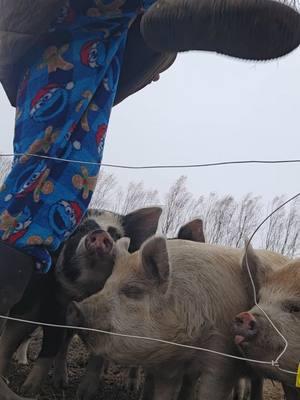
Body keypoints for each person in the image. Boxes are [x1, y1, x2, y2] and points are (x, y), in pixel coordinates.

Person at [0, 0, 299, 398]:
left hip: (64, 39)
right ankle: (144, 28)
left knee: (59, 184)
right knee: (52, 178)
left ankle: (142, 30)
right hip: (63, 33)